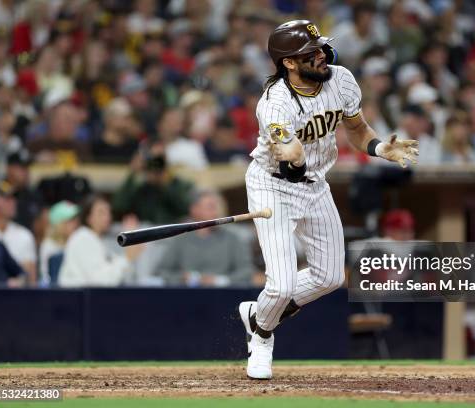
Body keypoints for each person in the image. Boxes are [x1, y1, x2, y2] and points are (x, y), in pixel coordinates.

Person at [238, 20, 418, 379]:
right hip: (274, 185)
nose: (321, 55)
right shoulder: (274, 105)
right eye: (310, 52)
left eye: (320, 48)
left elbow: (356, 130)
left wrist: (381, 148)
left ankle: (259, 312)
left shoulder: (341, 79)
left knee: (331, 276)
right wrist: (293, 155)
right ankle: (261, 336)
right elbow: (289, 166)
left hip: (316, 183)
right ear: (289, 62)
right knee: (282, 284)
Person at [154, 189, 255, 287]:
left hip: (222, 295)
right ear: (194, 209)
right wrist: (182, 278)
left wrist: (220, 281)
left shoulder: (233, 239)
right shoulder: (180, 239)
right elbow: (161, 272)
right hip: (187, 296)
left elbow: (246, 272)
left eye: (217, 207)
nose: (216, 212)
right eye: (211, 207)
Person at [58, 195, 143, 287]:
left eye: (108, 212)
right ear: (88, 217)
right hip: (77, 299)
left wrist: (129, 256)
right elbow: (99, 282)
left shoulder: (99, 240)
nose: (107, 217)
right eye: (101, 212)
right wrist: (127, 258)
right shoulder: (83, 238)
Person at [0, 180, 37, 285]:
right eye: (7, 199)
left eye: (13, 198)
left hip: (16, 296)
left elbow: (30, 277)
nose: (13, 202)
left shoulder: (24, 234)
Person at [39, 200, 79, 285]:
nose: (75, 224)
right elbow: (48, 278)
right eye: (70, 221)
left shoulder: (77, 242)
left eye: (76, 220)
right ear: (59, 224)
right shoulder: (48, 245)